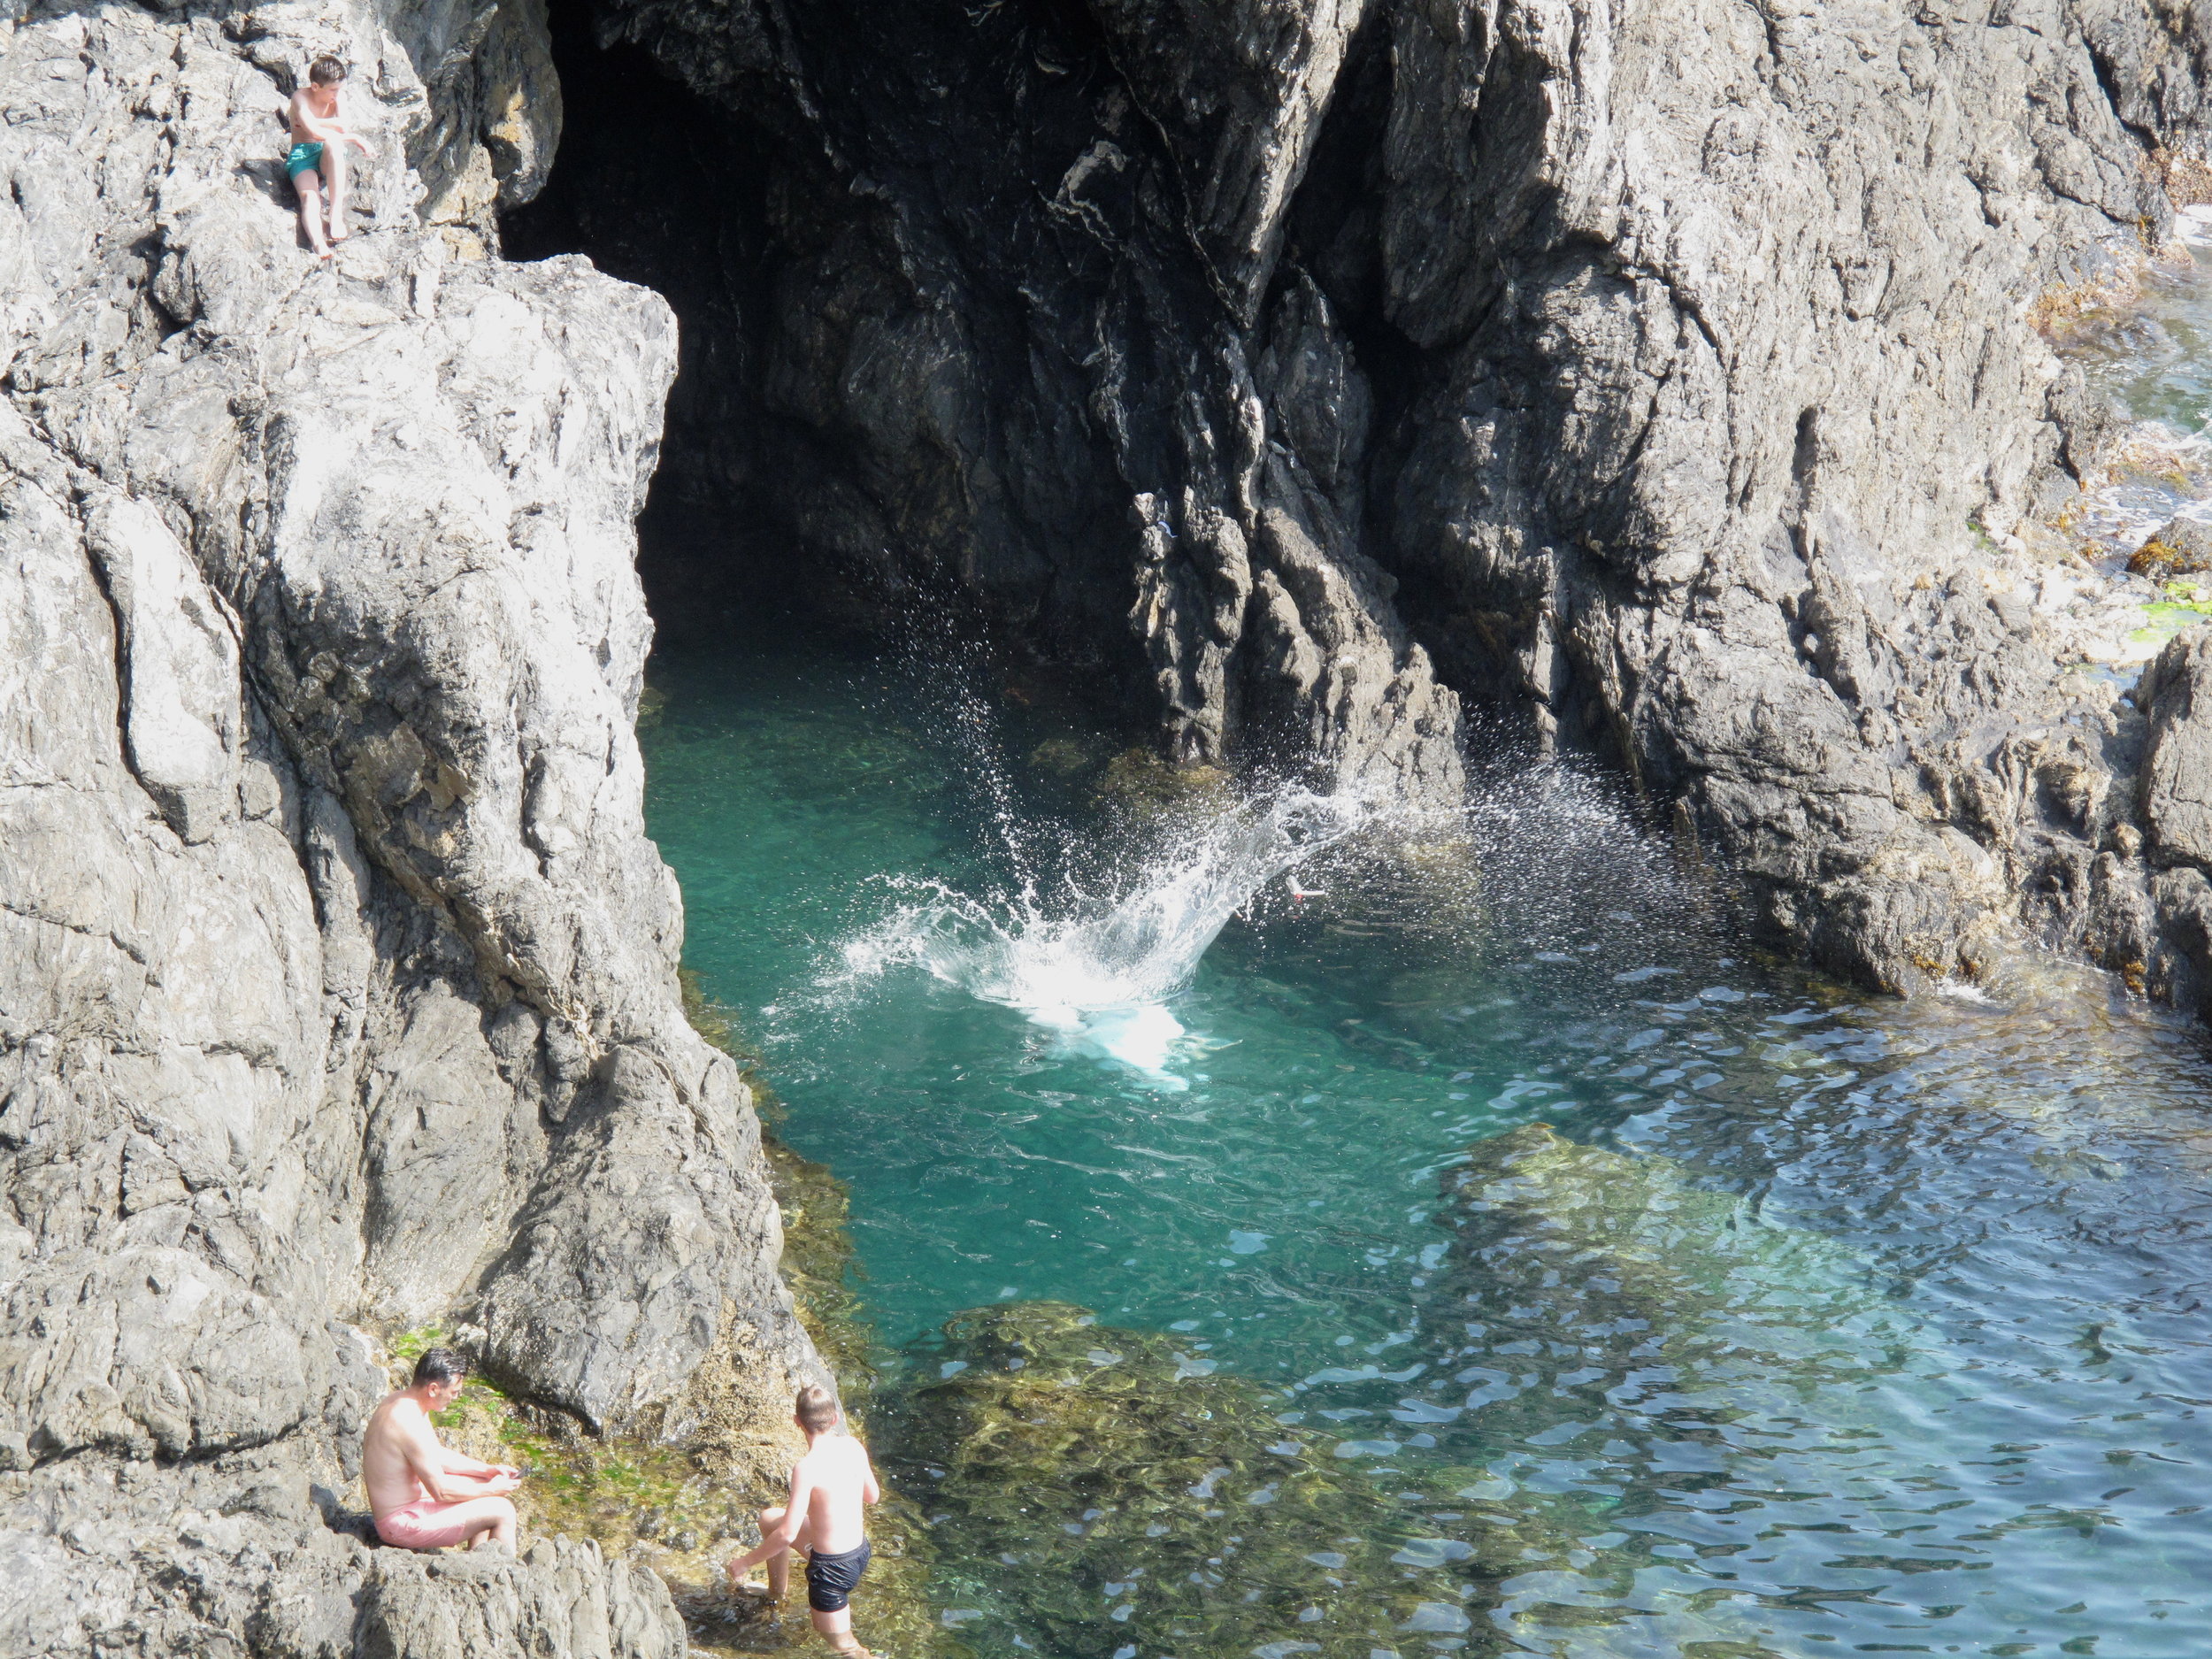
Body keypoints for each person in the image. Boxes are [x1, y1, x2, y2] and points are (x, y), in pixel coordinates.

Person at [726, 1384, 880, 1658]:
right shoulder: (853, 1445)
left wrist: (744, 1562)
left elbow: (788, 1535)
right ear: (834, 1419)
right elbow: (873, 1496)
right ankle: (776, 1595)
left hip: (831, 1572)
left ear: (797, 1422)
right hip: (859, 1552)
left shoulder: (806, 1468)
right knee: (769, 1519)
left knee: (843, 1645)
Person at [362, 1347, 524, 1552]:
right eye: (454, 1392)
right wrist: (494, 1490)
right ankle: (497, 1575)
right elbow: (441, 1492)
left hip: (411, 1505)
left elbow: (435, 1454)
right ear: (433, 1389)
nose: (456, 1397)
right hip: (401, 1522)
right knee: (504, 1510)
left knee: (482, 1485)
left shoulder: (404, 1402)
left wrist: (487, 1471)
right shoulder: (407, 1422)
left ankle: (478, 1563)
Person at [286, 56, 373, 259]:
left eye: (339, 89)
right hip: (302, 153)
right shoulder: (300, 98)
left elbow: (343, 125)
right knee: (310, 198)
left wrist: (311, 121)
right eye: (332, 90)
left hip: (328, 151)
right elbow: (313, 132)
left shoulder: (338, 97)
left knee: (333, 141)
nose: (337, 94)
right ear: (315, 87)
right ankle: (318, 244)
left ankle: (335, 213)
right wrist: (353, 137)